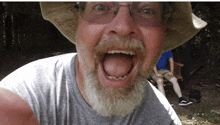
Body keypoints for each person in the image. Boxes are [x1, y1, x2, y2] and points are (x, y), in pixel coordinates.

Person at [0, 2, 207, 125]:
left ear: (163, 35)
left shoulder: (161, 118)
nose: (123, 26)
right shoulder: (21, 100)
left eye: (147, 10)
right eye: (101, 6)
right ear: (77, 25)